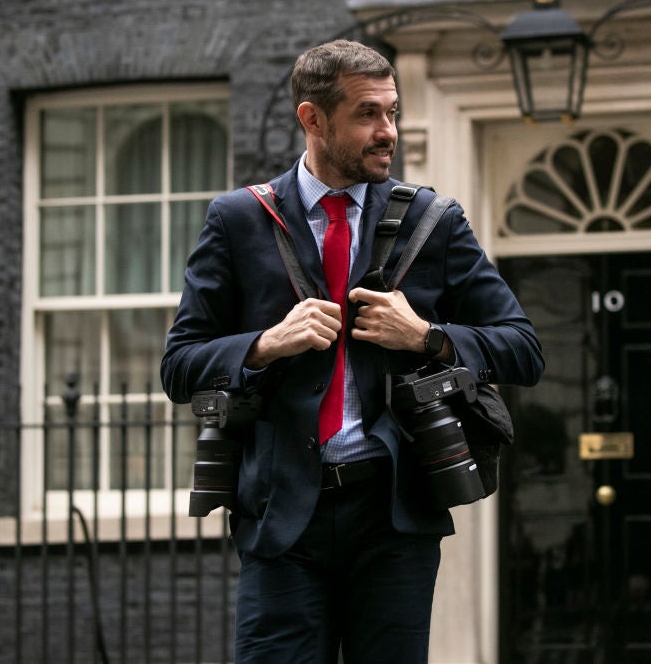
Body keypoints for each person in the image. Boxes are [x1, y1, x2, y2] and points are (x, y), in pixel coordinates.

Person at [161, 39, 544, 664]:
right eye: (368, 114)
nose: (386, 131)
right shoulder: (237, 220)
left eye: (392, 113)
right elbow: (179, 365)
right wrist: (263, 345)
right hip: (282, 518)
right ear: (313, 119)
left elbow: (524, 349)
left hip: (394, 517)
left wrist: (426, 336)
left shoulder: (435, 221)